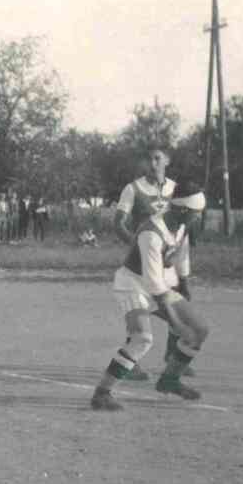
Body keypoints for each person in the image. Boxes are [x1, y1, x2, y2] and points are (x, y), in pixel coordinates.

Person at [91, 185, 210, 410]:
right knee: (142, 338)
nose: (200, 217)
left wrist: (184, 285)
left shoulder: (180, 225)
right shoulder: (151, 234)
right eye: (198, 213)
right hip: (133, 285)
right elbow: (156, 290)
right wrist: (177, 324)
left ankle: (169, 380)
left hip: (158, 285)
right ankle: (102, 393)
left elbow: (180, 255)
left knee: (199, 329)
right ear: (184, 211)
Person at [112, 148, 184, 380]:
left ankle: (172, 358)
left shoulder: (176, 189)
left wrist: (179, 251)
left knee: (178, 306)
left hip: (169, 260)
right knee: (141, 308)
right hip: (144, 262)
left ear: (168, 161)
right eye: (149, 158)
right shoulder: (133, 188)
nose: (152, 163)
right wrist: (135, 244)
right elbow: (118, 223)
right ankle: (131, 362)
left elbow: (185, 223)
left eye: (157, 158)